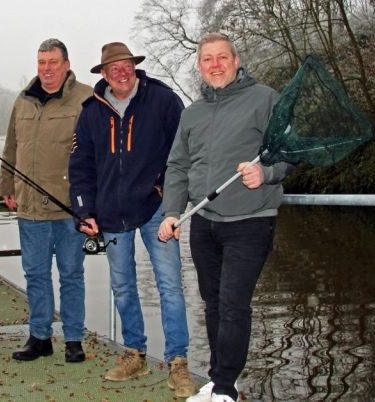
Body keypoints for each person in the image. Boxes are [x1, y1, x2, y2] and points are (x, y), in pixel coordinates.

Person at [158, 33, 295, 402]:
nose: (215, 65)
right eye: (207, 59)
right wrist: (172, 212)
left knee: (234, 303)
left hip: (250, 220)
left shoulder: (265, 99)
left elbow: (289, 150)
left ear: (236, 61)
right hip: (204, 222)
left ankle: (223, 389)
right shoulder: (193, 113)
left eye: (222, 58)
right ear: (200, 66)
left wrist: (265, 173)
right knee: (214, 303)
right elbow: (178, 167)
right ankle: (223, 382)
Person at [68, 42, 195, 397]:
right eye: (113, 68)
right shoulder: (91, 111)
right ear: (103, 74)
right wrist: (84, 210)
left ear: (134, 67)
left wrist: (173, 204)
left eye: (126, 65)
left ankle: (178, 362)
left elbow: (182, 155)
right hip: (110, 214)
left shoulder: (163, 100)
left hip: (157, 210)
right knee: (123, 287)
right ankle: (134, 353)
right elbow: (80, 168)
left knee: (170, 285)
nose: (120, 72)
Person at [0, 38, 93, 363]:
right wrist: (5, 183)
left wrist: (92, 202)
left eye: (53, 62)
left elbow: (97, 153)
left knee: (71, 274)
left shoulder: (86, 98)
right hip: (29, 207)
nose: (46, 69)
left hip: (70, 207)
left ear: (66, 65)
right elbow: (11, 146)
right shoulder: (23, 100)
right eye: (41, 62)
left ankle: (74, 339)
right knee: (35, 274)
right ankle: (40, 336)